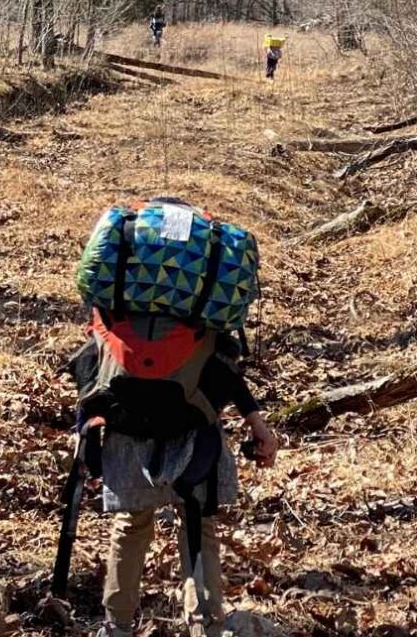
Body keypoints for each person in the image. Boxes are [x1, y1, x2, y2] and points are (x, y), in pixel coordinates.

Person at [68, 209, 281, 637]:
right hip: (192, 431)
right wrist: (259, 425)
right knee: (196, 526)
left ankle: (118, 626)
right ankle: (204, 625)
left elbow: (89, 371)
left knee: (131, 527)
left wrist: (83, 428)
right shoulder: (203, 311)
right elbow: (226, 376)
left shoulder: (114, 309)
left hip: (125, 433)